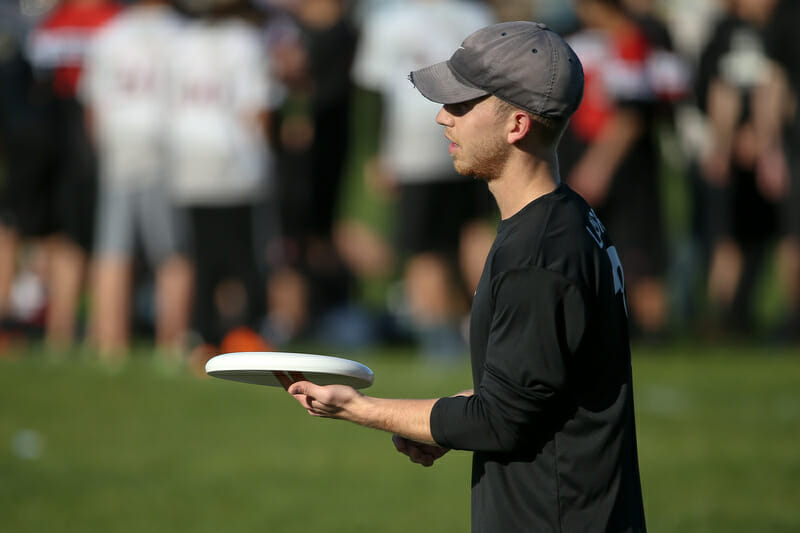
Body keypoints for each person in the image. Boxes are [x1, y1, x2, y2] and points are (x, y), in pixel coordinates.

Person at [286, 21, 646, 531]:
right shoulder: (561, 217)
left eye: (460, 105)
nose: (441, 118)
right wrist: (440, 423)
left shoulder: (537, 254)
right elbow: (533, 386)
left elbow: (501, 421)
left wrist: (360, 409)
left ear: (516, 124)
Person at [350, 0, 496, 360]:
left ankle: (439, 336)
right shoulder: (476, 16)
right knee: (472, 230)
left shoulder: (387, 19)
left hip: (413, 140)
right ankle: (497, 323)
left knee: (422, 246)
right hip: (470, 130)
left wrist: (380, 152)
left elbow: (377, 89)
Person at [80, 0, 193, 358]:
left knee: (113, 249)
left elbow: (93, 104)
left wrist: (106, 146)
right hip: (165, 147)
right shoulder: (182, 34)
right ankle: (171, 341)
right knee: (172, 251)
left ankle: (111, 343)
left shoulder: (111, 34)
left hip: (120, 142)